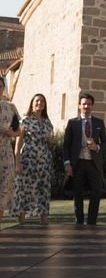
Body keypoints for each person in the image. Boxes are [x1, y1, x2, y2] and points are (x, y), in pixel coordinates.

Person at [63, 92, 106, 225]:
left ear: (92, 106)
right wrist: (67, 163)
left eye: (89, 104)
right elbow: (66, 145)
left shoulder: (98, 122)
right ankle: (79, 223)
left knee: (96, 193)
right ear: (79, 106)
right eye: (84, 104)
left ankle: (92, 223)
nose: (86, 106)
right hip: (78, 163)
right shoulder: (72, 123)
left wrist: (97, 147)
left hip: (93, 164)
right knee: (77, 195)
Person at [14, 93, 54, 225]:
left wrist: (50, 141)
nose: (40, 103)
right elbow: (18, 144)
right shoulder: (25, 121)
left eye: (42, 101)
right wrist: (17, 163)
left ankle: (44, 223)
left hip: (44, 163)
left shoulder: (48, 122)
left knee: (43, 192)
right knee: (25, 191)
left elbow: (51, 143)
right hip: (28, 162)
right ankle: (22, 224)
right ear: (32, 103)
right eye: (37, 101)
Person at [0, 76, 21, 227]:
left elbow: (19, 131)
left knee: (3, 189)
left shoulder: (10, 107)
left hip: (5, 153)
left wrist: (10, 134)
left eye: (0, 86)